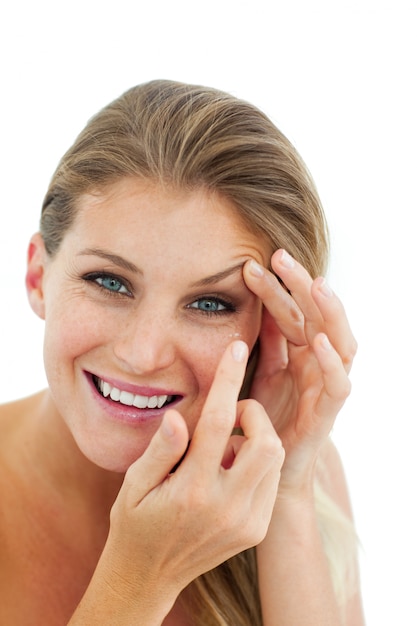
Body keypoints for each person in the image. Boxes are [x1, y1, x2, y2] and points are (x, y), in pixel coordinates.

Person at [0, 79, 365, 625]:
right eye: (109, 281)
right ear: (37, 275)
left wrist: (285, 494)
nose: (143, 354)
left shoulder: (290, 466)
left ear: (269, 326)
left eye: (212, 303)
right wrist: (140, 578)